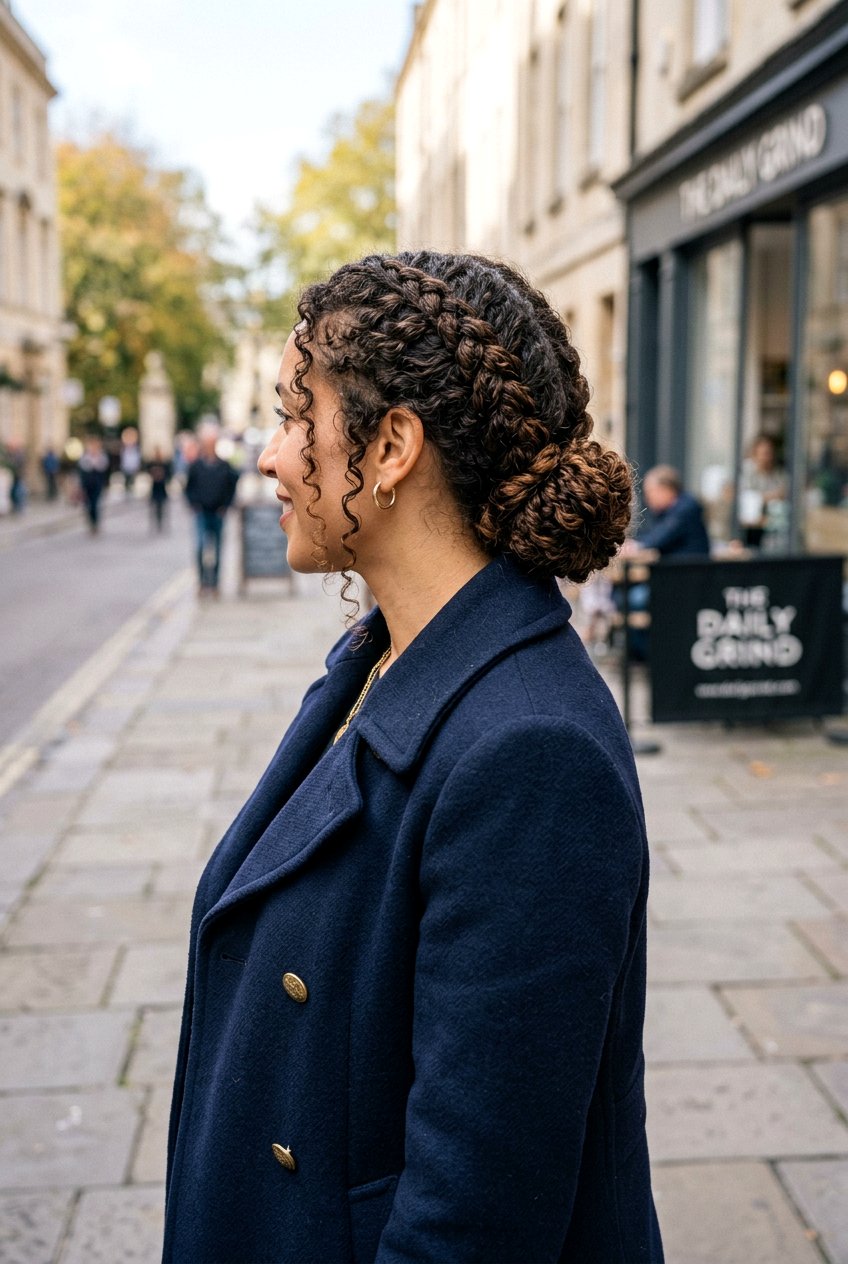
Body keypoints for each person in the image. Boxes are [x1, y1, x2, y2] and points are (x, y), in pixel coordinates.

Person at [164, 253, 663, 1264]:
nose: (269, 455)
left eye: (296, 416)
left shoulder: (531, 753)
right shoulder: (381, 655)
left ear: (390, 447)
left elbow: (471, 1224)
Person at [183, 422, 238, 593]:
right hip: (202, 512)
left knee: (217, 549)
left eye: (212, 441)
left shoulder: (224, 465)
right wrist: (194, 504)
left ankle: (214, 582)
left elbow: (232, 486)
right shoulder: (196, 466)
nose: (209, 445)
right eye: (207, 441)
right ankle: (201, 581)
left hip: (218, 513)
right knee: (200, 547)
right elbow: (188, 487)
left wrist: (226, 505)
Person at [738, 433, 788, 549]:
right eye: (765, 454)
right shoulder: (747, 471)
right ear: (755, 455)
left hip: (773, 527)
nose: (768, 457)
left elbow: (785, 492)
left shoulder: (777, 473)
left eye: (770, 453)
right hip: (749, 528)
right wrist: (770, 496)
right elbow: (747, 499)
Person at [77, 435, 110, 533]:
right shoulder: (85, 457)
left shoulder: (102, 457)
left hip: (97, 484)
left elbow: (105, 471)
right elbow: (82, 472)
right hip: (87, 484)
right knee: (88, 505)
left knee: (95, 504)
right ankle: (91, 522)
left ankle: (95, 523)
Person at [147, 446, 172, 532]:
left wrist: (162, 476)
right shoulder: (152, 463)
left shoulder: (164, 464)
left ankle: (161, 523)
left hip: (162, 489)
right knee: (154, 508)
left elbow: (168, 475)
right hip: (155, 489)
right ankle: (156, 523)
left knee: (162, 507)